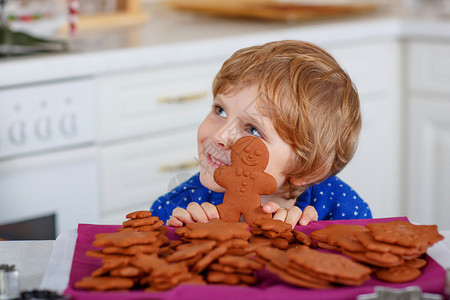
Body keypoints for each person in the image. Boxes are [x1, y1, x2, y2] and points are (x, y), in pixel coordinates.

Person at [150, 40, 372, 229]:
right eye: (220, 110)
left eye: (253, 130)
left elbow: (364, 273)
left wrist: (310, 239)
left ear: (308, 169)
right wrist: (178, 241)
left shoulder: (343, 212)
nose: (220, 136)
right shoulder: (176, 208)